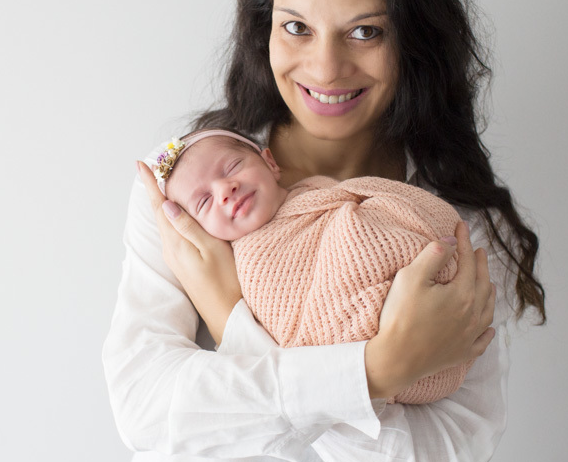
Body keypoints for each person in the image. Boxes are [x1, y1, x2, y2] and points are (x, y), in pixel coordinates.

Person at [103, 0, 545, 462]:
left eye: (365, 31)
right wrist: (376, 372)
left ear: (414, 38)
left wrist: (230, 318)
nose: (326, 67)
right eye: (297, 27)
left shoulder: (456, 231)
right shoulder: (191, 187)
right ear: (265, 28)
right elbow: (144, 406)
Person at [154, 127, 470, 406]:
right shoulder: (249, 264)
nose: (225, 190)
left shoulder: (317, 190)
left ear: (270, 162)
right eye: (204, 202)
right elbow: (296, 341)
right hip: (390, 349)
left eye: (233, 167)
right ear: (199, 232)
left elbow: (378, 200)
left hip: (448, 310)